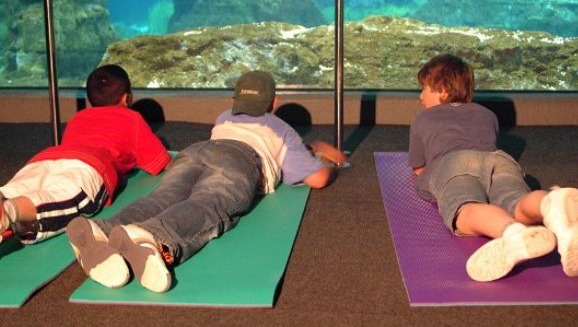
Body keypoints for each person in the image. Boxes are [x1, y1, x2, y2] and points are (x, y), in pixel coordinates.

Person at [66, 70, 346, 293]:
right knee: (210, 203)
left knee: (163, 197)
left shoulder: (225, 116)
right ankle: (154, 238)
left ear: (236, 101)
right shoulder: (279, 126)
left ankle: (104, 228)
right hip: (240, 160)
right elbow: (318, 178)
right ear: (274, 103)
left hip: (196, 152)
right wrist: (330, 161)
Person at [408, 54, 578, 282]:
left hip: (453, 163)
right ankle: (548, 204)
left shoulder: (423, 118)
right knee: (515, 201)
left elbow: (418, 167)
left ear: (443, 91)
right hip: (499, 160)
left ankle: (514, 234)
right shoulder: (487, 114)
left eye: (425, 89)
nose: (420, 96)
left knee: (466, 209)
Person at [0, 64, 171, 244]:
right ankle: (9, 211)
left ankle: (7, 201)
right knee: (63, 198)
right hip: (92, 164)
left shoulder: (78, 118)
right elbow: (159, 161)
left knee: (17, 189)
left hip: (46, 158)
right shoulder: (132, 118)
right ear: (127, 97)